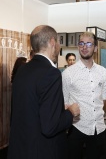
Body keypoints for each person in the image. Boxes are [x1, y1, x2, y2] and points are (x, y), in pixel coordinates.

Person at [7, 25, 80, 159]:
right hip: (42, 150)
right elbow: (50, 127)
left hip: (21, 148)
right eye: (58, 41)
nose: (58, 45)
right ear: (52, 42)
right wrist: (70, 113)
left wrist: (57, 108)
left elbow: (30, 106)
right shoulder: (51, 73)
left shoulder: (23, 70)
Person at [62, 31, 106, 159]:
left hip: (98, 128)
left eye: (89, 44)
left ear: (95, 48)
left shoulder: (103, 72)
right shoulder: (68, 73)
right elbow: (64, 102)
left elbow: (105, 101)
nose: (84, 47)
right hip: (76, 128)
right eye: (81, 43)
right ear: (78, 46)